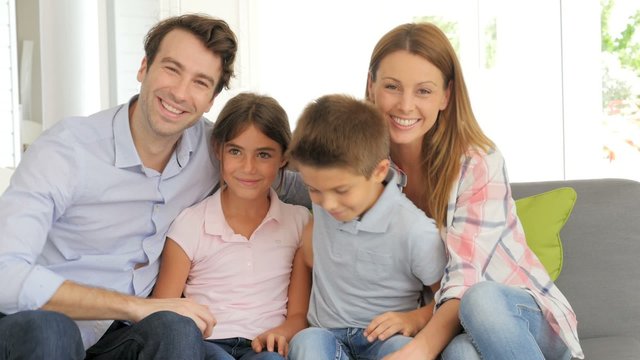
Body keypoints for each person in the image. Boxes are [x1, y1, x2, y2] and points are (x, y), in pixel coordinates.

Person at [0, 14, 308, 360]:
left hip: (124, 337)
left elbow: (305, 180)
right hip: (41, 327)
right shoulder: (66, 150)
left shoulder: (217, 152)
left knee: (175, 328)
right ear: (144, 68)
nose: (179, 93)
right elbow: (6, 274)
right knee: (53, 329)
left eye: (200, 82)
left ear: (211, 100)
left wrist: (375, 181)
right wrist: (134, 307)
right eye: (171, 69)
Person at [364, 22, 584, 360]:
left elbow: (465, 280)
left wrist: (420, 349)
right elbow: (306, 170)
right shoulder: (361, 166)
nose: (405, 105)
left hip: (517, 317)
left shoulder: (477, 162)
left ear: (446, 95)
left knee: (480, 300)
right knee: (460, 355)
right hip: (451, 326)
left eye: (423, 91)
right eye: (392, 87)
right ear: (371, 87)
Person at [151, 92, 311, 360]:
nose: (248, 168)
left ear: (284, 157)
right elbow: (162, 310)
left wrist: (283, 332)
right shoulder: (191, 223)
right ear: (218, 150)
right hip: (206, 345)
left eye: (263, 154)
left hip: (265, 347)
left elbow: (298, 315)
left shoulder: (299, 222)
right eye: (236, 151)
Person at [286, 94, 446, 360]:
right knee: (306, 342)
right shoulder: (326, 205)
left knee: (400, 351)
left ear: (380, 171)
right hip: (326, 334)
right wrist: (296, 317)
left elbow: (449, 297)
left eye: (341, 190)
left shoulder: (415, 230)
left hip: (384, 340)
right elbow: (305, 255)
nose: (328, 204)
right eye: (313, 189)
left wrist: (415, 318)